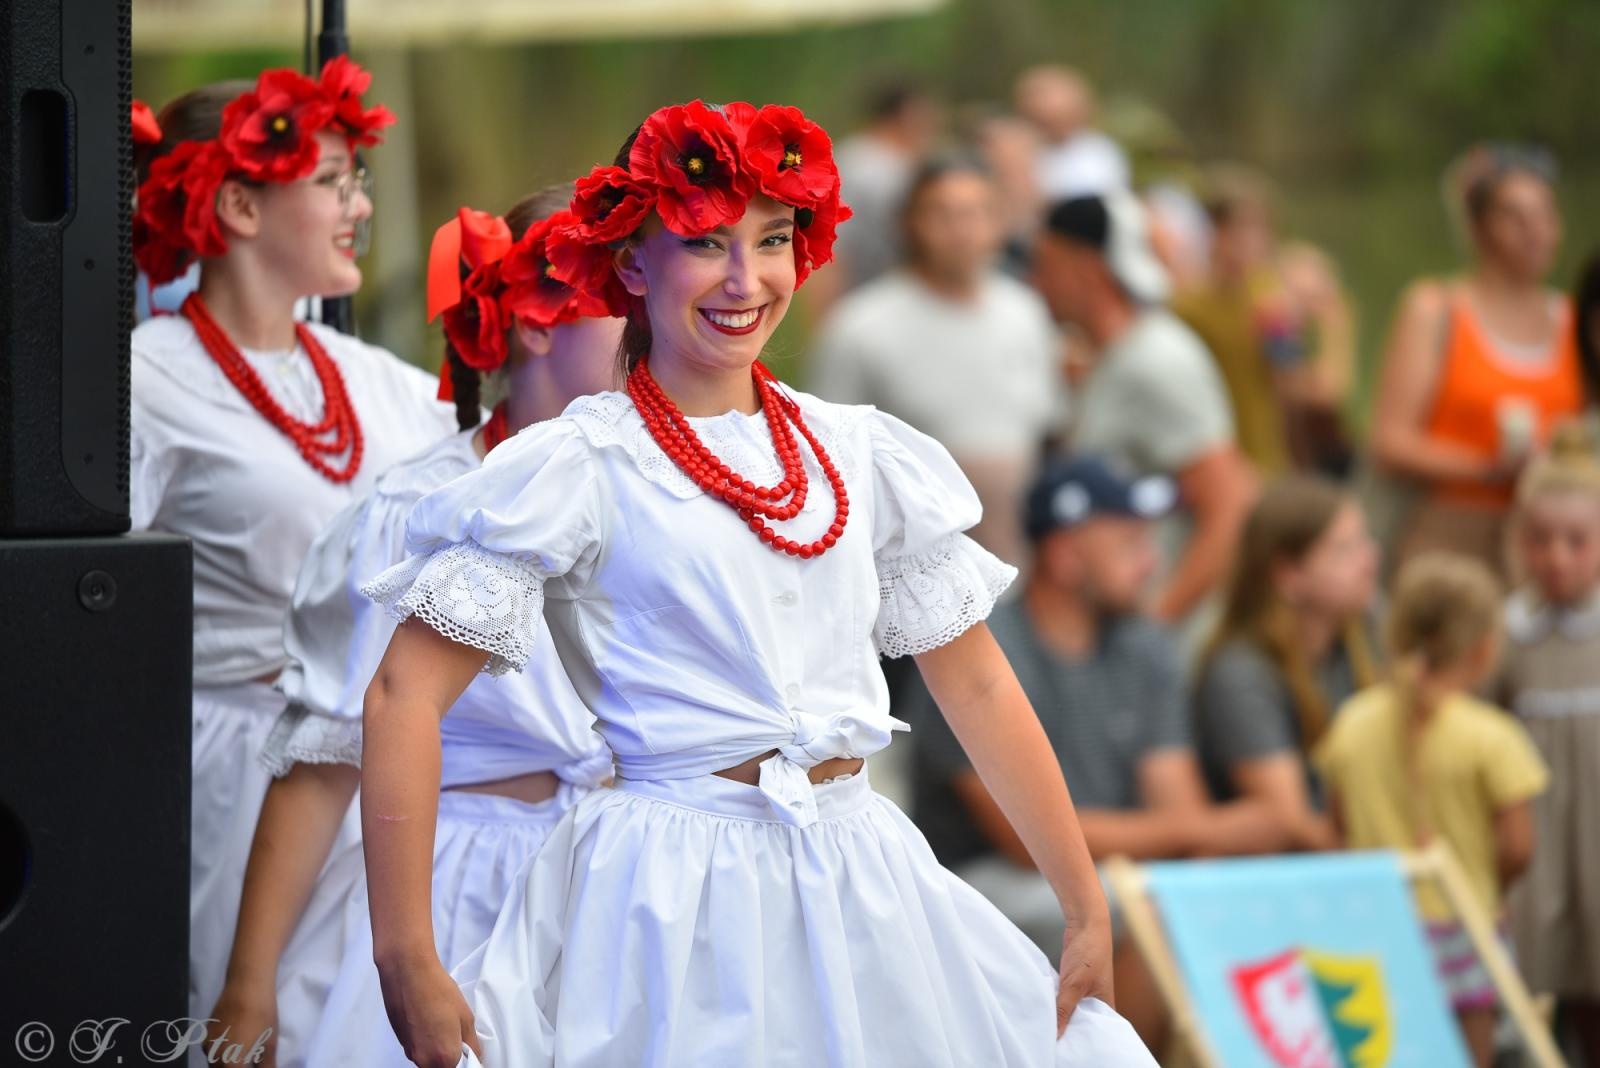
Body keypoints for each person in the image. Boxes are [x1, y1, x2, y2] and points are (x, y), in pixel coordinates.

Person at [358, 100, 1155, 1067]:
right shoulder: (581, 465)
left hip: (862, 874)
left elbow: (977, 681)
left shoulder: (855, 450)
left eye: (771, 241)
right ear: (635, 263)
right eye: (704, 244)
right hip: (668, 898)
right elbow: (404, 693)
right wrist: (406, 952)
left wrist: (1081, 902)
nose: (746, 280)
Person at [204, 188, 620, 1066]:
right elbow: (325, 760)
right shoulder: (419, 509)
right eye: (626, 300)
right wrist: (249, 983)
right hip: (461, 888)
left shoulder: (663, 491)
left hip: (627, 876)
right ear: (538, 326)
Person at [129, 61, 458, 1026]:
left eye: (357, 180)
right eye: (333, 181)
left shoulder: (384, 384)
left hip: (395, 771)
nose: (358, 204)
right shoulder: (146, 387)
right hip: (232, 768)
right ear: (237, 202)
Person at [904, 454, 1283, 1050]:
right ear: (1065, 556)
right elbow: (1021, 841)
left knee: (1204, 894)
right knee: (1146, 913)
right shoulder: (985, 649)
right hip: (977, 881)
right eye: (1131, 540)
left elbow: (1178, 811)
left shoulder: (1146, 645)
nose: (1153, 560)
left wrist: (1198, 839)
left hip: (1108, 875)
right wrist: (1223, 828)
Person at [1316, 552, 1548, 1068]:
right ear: (1485, 650)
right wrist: (1489, 881)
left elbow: (1335, 827)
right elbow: (1518, 846)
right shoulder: (1492, 737)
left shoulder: (1353, 721)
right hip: (1463, 925)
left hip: (1372, 927)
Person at [810, 155, 1063, 567]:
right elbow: (825, 463)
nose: (961, 229)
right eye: (942, 213)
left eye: (976, 213)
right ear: (908, 222)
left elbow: (1049, 430)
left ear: (1000, 222)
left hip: (1020, 572)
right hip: (907, 579)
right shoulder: (860, 327)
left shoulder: (1027, 313)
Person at [1032, 191, 1255, 645]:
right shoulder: (1114, 358)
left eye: (1047, 266)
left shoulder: (1157, 362)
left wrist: (1158, 628)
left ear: (1088, 270)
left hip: (1172, 647)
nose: (1037, 284)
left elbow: (1231, 505)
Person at [1371, 144, 1580, 580]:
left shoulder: (1573, 319)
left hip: (1554, 545)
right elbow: (1390, 440)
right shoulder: (1436, 310)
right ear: (1479, 229)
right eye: (1514, 218)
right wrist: (1491, 468)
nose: (1534, 232)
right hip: (1451, 535)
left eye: (1544, 216)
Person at [1193, 475, 1380, 848]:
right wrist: (1388, 856)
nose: (1369, 559)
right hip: (1275, 880)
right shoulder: (1239, 672)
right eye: (1344, 550)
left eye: (1364, 541)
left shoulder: (1364, 635)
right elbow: (1291, 822)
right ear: (1289, 575)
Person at [1499, 426, 1600, 1065]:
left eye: (1577, 541)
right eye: (1540, 540)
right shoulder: (1510, 629)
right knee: (1542, 968)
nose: (1556, 557)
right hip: (1538, 833)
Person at [1174, 167, 1356, 478]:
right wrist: (1336, 322)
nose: (1258, 242)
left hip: (1259, 462)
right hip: (1228, 465)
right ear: (1214, 231)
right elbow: (1321, 392)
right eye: (1246, 229)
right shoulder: (1256, 304)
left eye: (1262, 230)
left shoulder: (1263, 300)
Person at [806, 79, 943, 313]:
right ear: (908, 114)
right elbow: (831, 243)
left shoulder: (885, 159)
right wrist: (829, 315)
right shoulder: (865, 166)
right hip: (863, 297)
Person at [1014, 65, 1130, 201]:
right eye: (1044, 121)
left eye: (1061, 117)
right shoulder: (1015, 153)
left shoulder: (1100, 152)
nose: (1054, 127)